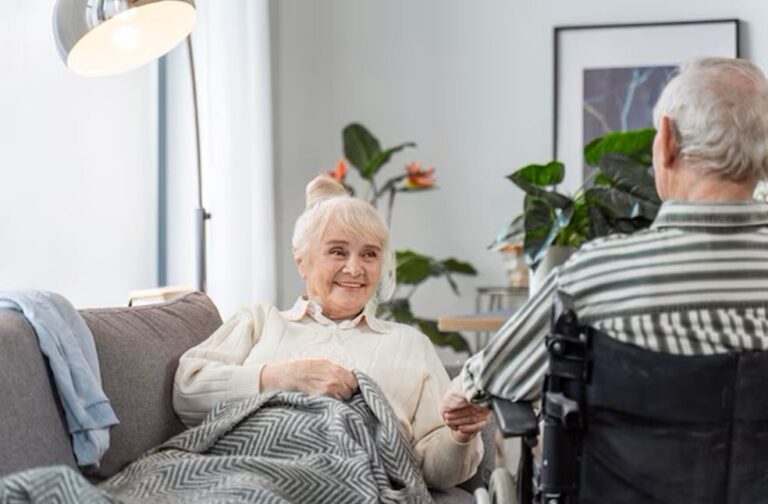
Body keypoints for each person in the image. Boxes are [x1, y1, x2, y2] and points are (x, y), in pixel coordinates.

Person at [441, 57, 768, 418]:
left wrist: (465, 386)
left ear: (668, 144)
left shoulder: (597, 274)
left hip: (636, 475)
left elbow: (497, 375)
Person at [173, 174, 489, 490]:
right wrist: (282, 377)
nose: (355, 269)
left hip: (353, 486)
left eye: (369, 254)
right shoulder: (259, 320)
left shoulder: (409, 343)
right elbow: (188, 390)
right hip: (236, 474)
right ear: (302, 261)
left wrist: (459, 436)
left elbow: (433, 474)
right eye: (338, 252)